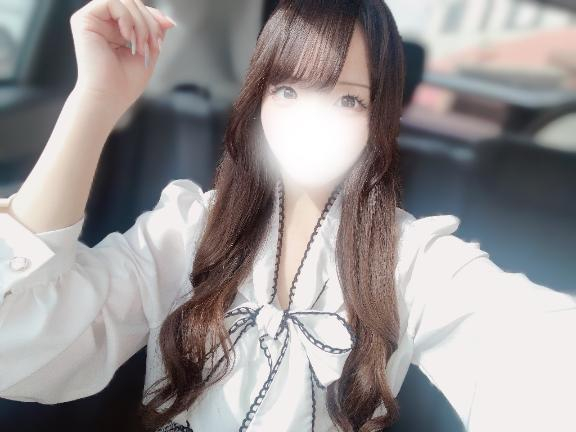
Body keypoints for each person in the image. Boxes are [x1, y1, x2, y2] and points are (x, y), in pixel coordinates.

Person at [0, 1, 575, 431]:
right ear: (259, 99)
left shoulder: (410, 259)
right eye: (289, 90)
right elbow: (23, 333)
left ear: (377, 117)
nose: (311, 120)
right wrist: (94, 99)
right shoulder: (187, 227)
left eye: (347, 99)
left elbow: (528, 347)